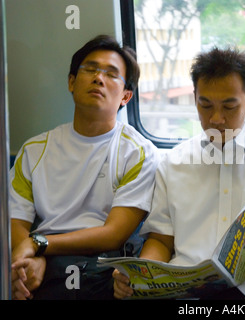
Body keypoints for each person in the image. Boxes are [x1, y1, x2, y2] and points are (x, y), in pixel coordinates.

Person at [113, 47, 245, 300]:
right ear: (195, 99)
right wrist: (139, 276)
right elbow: (161, 240)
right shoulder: (174, 162)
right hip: (183, 288)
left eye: (229, 107)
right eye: (205, 105)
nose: (216, 119)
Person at [9, 35, 160, 300]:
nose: (98, 78)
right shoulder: (34, 150)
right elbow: (15, 221)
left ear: (126, 96)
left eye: (112, 74)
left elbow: (113, 234)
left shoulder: (137, 152)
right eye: (90, 69)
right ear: (71, 82)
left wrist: (40, 246)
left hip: (100, 266)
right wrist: (28, 258)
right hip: (42, 259)